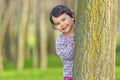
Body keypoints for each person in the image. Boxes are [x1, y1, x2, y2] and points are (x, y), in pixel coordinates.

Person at [49, 5, 75, 80]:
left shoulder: (80, 31)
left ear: (72, 16)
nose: (62, 24)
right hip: (70, 75)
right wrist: (73, 46)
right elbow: (65, 56)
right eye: (58, 23)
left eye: (63, 19)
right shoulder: (60, 40)